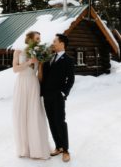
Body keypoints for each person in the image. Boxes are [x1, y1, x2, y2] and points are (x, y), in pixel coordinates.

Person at [12, 31, 51, 160]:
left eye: (40, 39)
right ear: (29, 39)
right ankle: (24, 148)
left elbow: (39, 73)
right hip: (22, 84)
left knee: (34, 114)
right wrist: (29, 62)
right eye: (37, 39)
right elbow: (15, 69)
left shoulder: (39, 53)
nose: (39, 41)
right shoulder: (18, 51)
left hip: (34, 84)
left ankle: (37, 149)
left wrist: (40, 65)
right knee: (22, 114)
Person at [38, 33, 75, 162]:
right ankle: (58, 147)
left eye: (55, 41)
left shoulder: (68, 60)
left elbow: (71, 80)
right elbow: (44, 77)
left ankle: (65, 150)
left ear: (62, 44)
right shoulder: (49, 59)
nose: (52, 43)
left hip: (58, 96)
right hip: (47, 95)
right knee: (52, 122)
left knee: (60, 122)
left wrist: (64, 93)